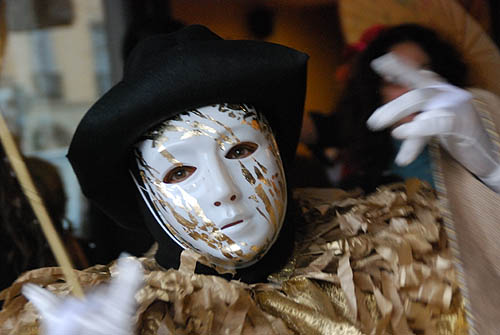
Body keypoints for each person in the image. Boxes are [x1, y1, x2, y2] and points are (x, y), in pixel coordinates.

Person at [0, 25, 474, 334]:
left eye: (241, 150)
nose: (226, 189)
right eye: (180, 171)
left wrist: (488, 172)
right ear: (145, 192)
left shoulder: (393, 250)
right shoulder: (134, 318)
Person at [306, 23, 500, 334]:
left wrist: (491, 170)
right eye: (396, 79)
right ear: (377, 90)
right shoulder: (362, 154)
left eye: (424, 72)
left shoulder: (476, 118)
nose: (414, 88)